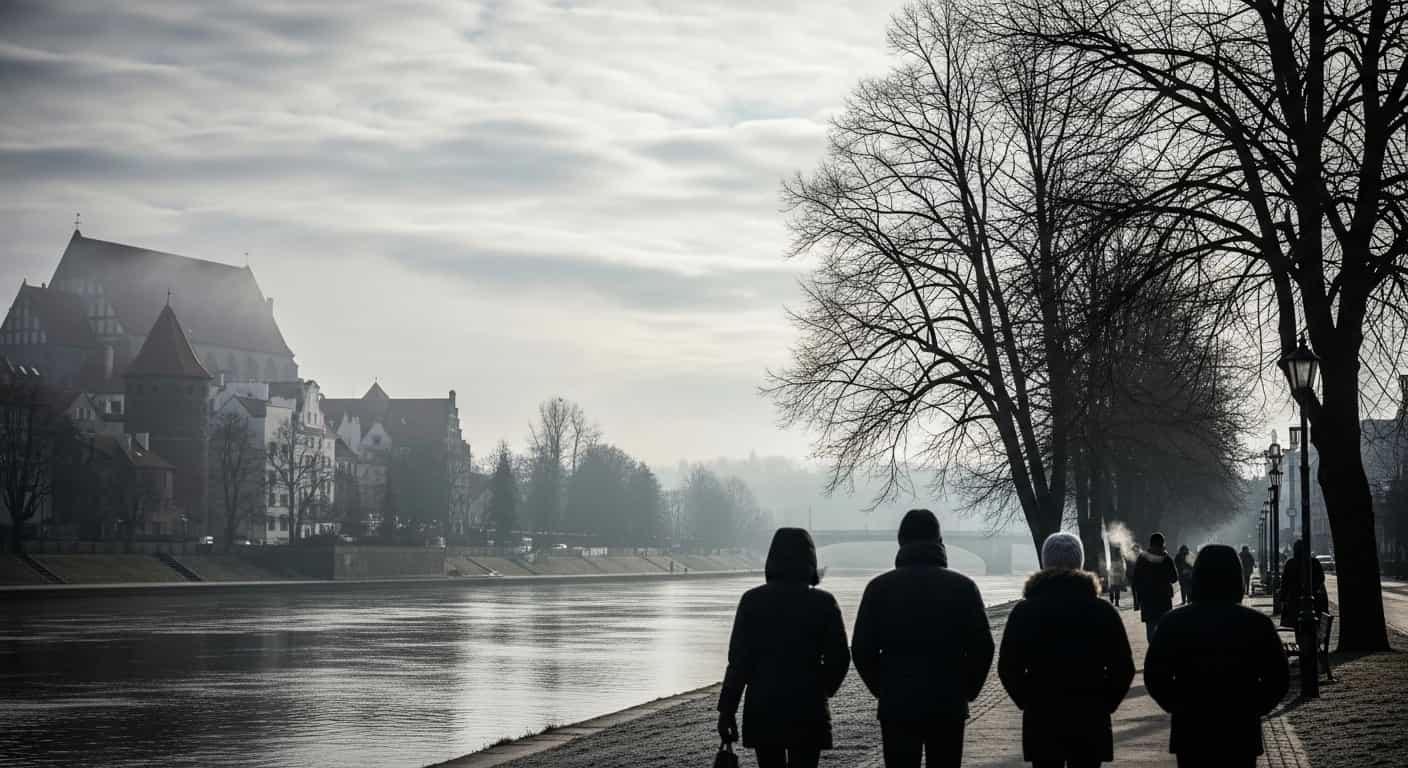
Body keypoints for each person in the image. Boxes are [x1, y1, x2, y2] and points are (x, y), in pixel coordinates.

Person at [852, 509, 994, 768]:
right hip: (948, 702)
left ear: (901, 542)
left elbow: (862, 650)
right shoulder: (963, 587)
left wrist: (883, 688)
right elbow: (982, 647)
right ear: (939, 542)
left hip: (898, 703)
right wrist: (967, 690)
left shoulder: (878, 588)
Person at [1144, 544, 1290, 768]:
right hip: (1240, 729)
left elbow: (1155, 676)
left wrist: (1180, 705)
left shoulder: (1174, 622)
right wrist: (1251, 708)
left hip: (1192, 729)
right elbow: (1278, 678)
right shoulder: (1256, 623)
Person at [999, 533, 1135, 768]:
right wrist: (1104, 704)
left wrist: (1028, 701)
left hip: (1042, 716)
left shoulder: (1025, 611)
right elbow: (1123, 668)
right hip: (1089, 716)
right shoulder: (1102, 611)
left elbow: (1008, 667)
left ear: (1045, 562)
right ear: (1079, 562)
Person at [717, 528, 850, 768]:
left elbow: (739, 662)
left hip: (763, 706)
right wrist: (822, 688)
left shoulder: (752, 601)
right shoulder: (824, 603)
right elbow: (840, 658)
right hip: (808, 707)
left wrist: (727, 710)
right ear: (810, 560)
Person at [1129, 533, 1178, 642]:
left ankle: (1153, 651)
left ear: (1150, 543)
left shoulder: (1142, 558)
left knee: (1150, 628)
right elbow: (1174, 578)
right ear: (1162, 543)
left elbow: (1135, 581)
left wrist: (1136, 601)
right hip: (1163, 599)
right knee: (1164, 627)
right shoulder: (1166, 558)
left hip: (1147, 599)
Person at [1277, 540, 1328, 629]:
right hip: (1314, 600)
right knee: (1314, 625)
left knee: (1297, 625)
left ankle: (1301, 641)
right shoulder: (1314, 562)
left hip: (1294, 600)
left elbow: (1285, 583)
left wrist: (1283, 598)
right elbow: (1321, 579)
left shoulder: (1290, 563)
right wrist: (1313, 589)